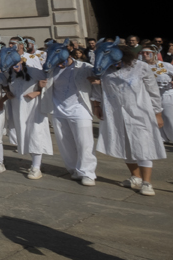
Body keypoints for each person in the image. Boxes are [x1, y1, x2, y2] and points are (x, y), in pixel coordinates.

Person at [91, 41, 164, 196]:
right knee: (125, 145)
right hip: (115, 113)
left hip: (140, 112)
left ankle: (147, 182)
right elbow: (98, 88)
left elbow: (153, 91)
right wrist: (97, 106)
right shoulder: (106, 70)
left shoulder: (140, 67)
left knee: (143, 146)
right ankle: (135, 177)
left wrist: (157, 114)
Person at [46, 43, 97, 186]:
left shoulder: (83, 67)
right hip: (58, 110)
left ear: (68, 55)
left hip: (80, 110)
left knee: (84, 143)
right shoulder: (52, 69)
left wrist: (97, 102)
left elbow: (100, 79)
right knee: (65, 143)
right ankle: (74, 169)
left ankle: (88, 173)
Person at [3, 48, 53, 179]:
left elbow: (49, 85)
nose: (14, 69)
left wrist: (36, 92)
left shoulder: (34, 71)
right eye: (11, 67)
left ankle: (36, 168)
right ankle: (36, 162)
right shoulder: (11, 74)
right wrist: (8, 93)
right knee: (25, 137)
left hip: (34, 109)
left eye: (16, 65)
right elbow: (8, 87)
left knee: (35, 135)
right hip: (19, 110)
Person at [142, 44, 173, 144]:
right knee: (153, 118)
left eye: (148, 53)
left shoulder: (165, 65)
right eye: (143, 53)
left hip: (166, 94)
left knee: (168, 117)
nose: (145, 55)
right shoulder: (141, 67)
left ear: (155, 54)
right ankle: (161, 139)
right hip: (149, 96)